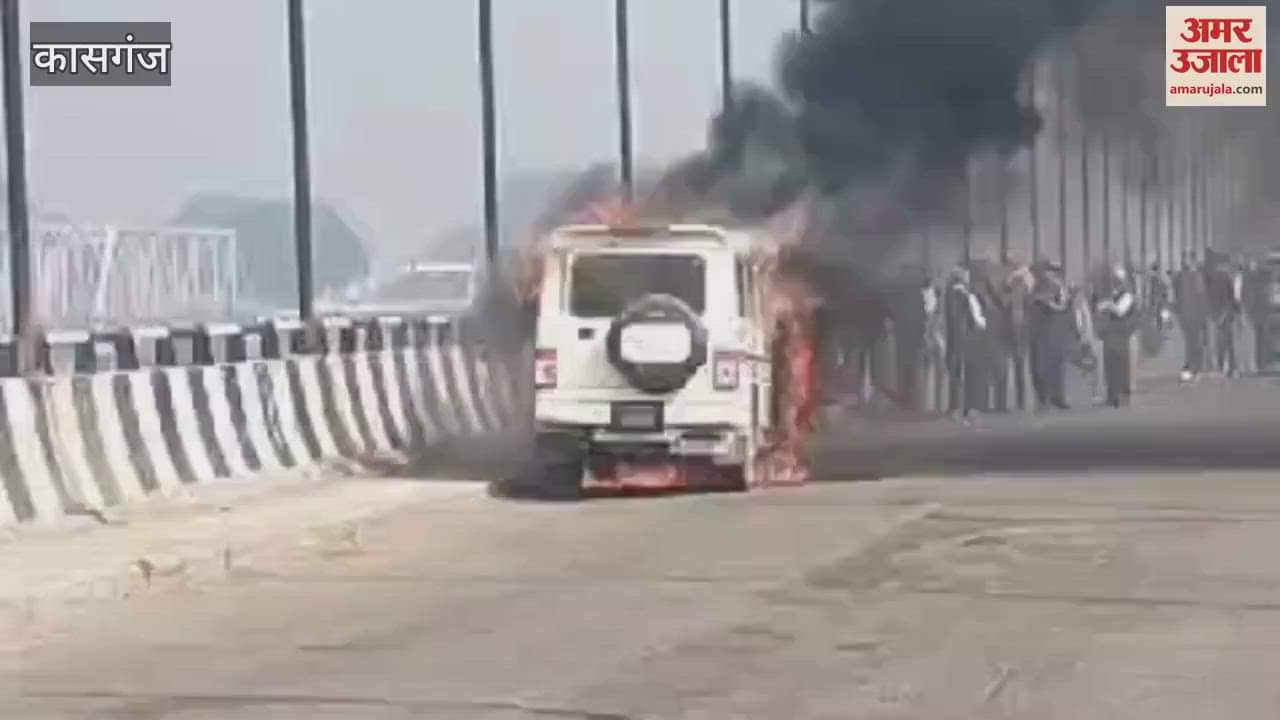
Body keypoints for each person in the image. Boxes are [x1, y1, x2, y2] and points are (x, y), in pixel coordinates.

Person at [1096, 265, 1140, 407]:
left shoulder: (1128, 295)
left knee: (1120, 363)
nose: (1115, 282)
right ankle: (1112, 394)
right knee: (1110, 363)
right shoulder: (1115, 294)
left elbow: (1120, 311)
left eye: (1118, 279)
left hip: (1121, 333)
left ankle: (1121, 394)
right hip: (1111, 333)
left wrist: (1108, 305)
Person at [1029, 262, 1071, 410]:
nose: (1051, 275)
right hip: (1041, 331)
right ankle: (1044, 397)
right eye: (1049, 272)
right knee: (1040, 365)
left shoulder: (1058, 286)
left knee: (1055, 365)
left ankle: (1057, 397)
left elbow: (1062, 304)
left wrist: (1050, 302)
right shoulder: (1038, 285)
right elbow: (1032, 300)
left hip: (1055, 330)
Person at [1174, 252, 1209, 380]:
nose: (1187, 262)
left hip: (1195, 314)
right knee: (1190, 341)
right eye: (1186, 260)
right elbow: (1178, 296)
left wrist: (1203, 314)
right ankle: (1191, 365)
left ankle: (1194, 366)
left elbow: (1202, 297)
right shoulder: (1181, 277)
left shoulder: (1198, 277)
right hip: (1186, 314)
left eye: (1189, 260)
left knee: (1195, 341)